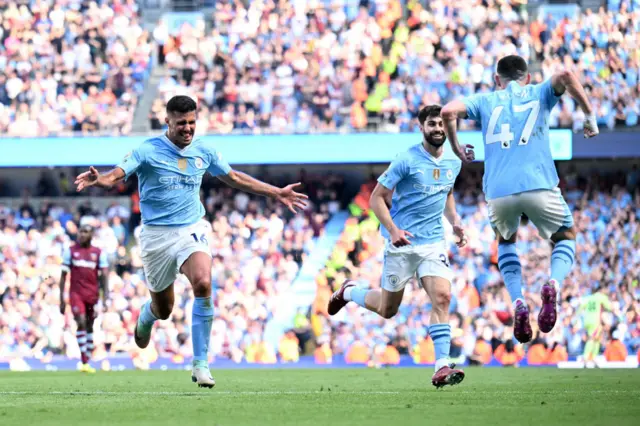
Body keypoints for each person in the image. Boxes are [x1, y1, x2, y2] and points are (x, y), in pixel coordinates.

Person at [74, 95, 307, 388]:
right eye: (181, 123)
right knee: (164, 309)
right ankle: (147, 316)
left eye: (192, 122)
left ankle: (200, 364)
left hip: (191, 229)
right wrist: (100, 179)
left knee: (203, 282)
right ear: (168, 122)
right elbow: (116, 175)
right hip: (156, 236)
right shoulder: (147, 150)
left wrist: (276, 192)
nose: (187, 128)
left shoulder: (204, 150)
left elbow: (234, 177)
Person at [441, 55, 599, 343]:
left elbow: (448, 110)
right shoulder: (539, 91)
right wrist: (588, 114)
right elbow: (565, 74)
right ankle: (553, 283)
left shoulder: (485, 100)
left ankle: (518, 302)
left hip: (499, 191)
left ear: (496, 80)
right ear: (527, 77)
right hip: (539, 184)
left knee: (506, 242)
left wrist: (457, 148)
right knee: (565, 237)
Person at [327, 105, 469, 388]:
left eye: (441, 124)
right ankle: (350, 291)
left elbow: (447, 192)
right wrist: (392, 230)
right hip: (402, 243)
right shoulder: (406, 159)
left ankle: (441, 364)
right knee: (388, 309)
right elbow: (377, 198)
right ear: (421, 128)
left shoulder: (454, 161)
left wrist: (454, 222)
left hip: (432, 243)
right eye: (432, 124)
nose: (438, 129)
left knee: (442, 297)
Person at [59, 224, 109, 373]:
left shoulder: (98, 253)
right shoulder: (70, 252)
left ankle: (87, 358)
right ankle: (84, 360)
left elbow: (104, 277)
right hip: (76, 294)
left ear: (91, 235)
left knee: (89, 326)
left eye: (86, 232)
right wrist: (62, 299)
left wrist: (105, 298)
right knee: (80, 322)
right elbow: (63, 277)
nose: (82, 234)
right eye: (80, 231)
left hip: (92, 295)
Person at [578, 286, 613, 367]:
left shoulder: (588, 298)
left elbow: (580, 307)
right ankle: (586, 358)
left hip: (587, 320)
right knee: (592, 338)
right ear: (601, 290)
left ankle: (593, 357)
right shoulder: (601, 297)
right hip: (595, 321)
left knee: (598, 338)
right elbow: (609, 307)